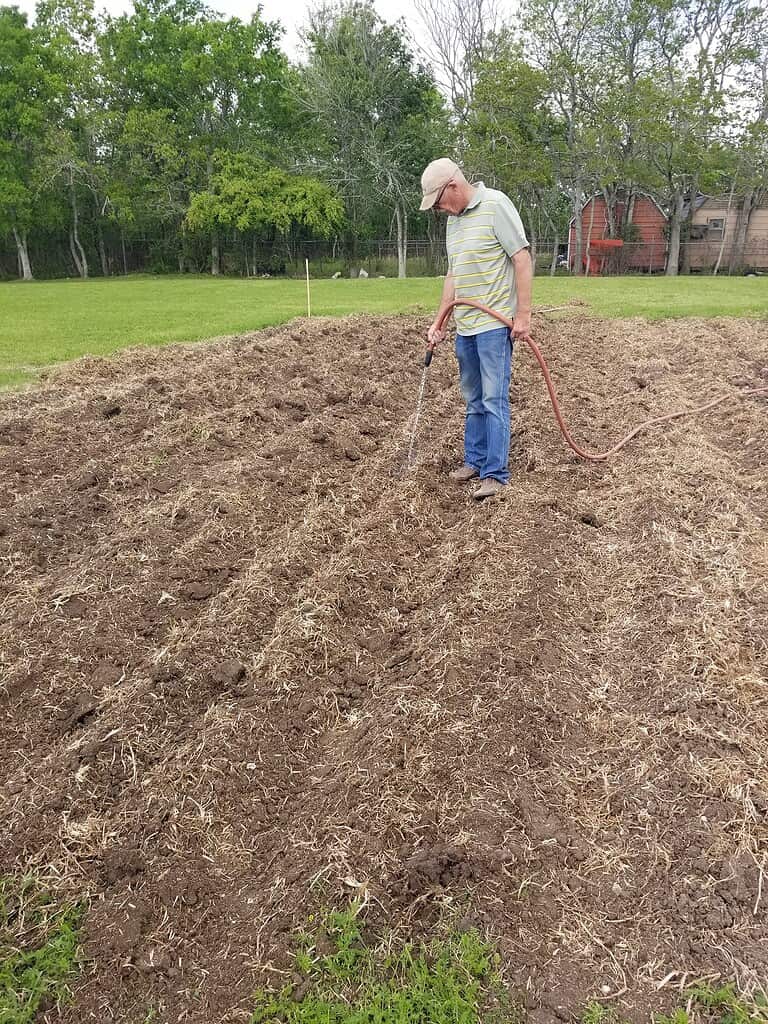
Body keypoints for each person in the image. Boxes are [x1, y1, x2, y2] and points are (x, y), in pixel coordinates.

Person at [420, 158, 533, 500]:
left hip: (494, 325)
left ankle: (495, 474)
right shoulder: (453, 223)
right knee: (472, 398)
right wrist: (439, 322)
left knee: (493, 398)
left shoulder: (497, 205)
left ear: (453, 187)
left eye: (439, 203)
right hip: (465, 326)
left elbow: (522, 258)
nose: (440, 210)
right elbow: (453, 276)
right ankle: (475, 459)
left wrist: (523, 314)